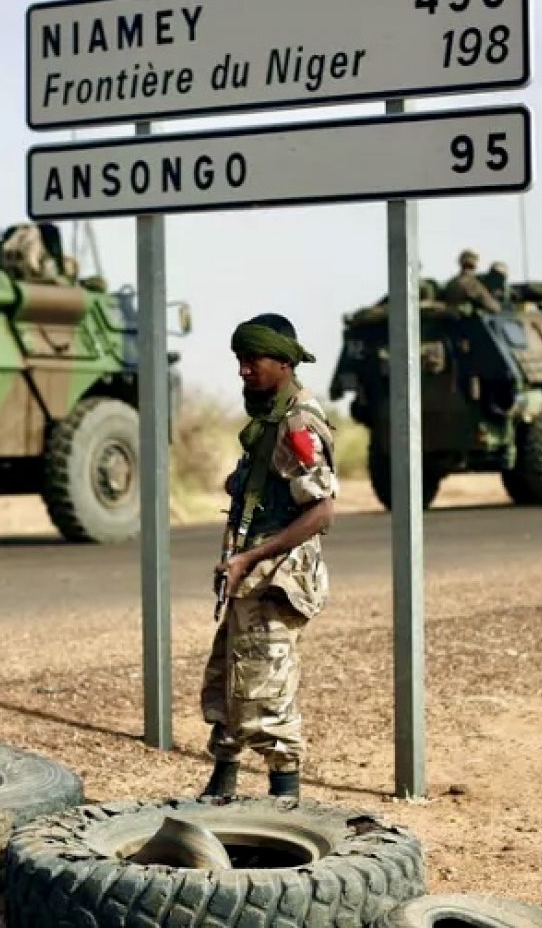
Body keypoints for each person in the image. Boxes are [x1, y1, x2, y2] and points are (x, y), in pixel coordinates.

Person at [200, 313, 338, 801]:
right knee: (229, 684)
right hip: (250, 577)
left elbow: (321, 512)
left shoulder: (297, 423)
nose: (243, 371)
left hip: (276, 581)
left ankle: (286, 807)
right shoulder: (268, 421)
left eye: (252, 360)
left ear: (283, 360)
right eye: (239, 360)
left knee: (267, 696)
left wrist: (251, 556)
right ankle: (221, 788)